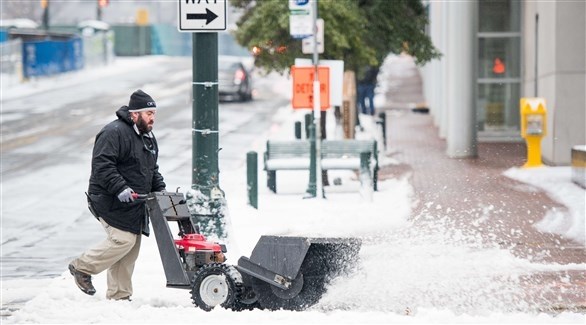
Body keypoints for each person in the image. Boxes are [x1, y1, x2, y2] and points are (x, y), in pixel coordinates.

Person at [68, 89, 166, 301]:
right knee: (123, 241)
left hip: (134, 203)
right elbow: (102, 166)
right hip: (109, 198)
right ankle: (82, 267)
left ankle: (119, 296)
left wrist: (161, 192)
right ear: (134, 114)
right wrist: (120, 188)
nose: (153, 118)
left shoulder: (147, 137)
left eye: (154, 113)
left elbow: (152, 169)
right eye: (148, 113)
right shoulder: (114, 132)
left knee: (130, 250)